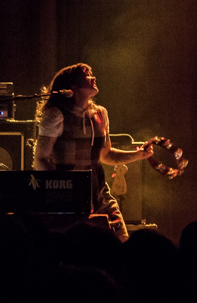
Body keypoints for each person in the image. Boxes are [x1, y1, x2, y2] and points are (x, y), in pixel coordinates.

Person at [33, 63, 153, 241]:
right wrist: (59, 189)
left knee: (121, 240)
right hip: (68, 197)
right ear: (73, 86)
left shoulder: (100, 114)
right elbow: (40, 159)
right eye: (87, 75)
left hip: (98, 194)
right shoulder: (56, 115)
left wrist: (138, 155)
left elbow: (107, 155)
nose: (93, 78)